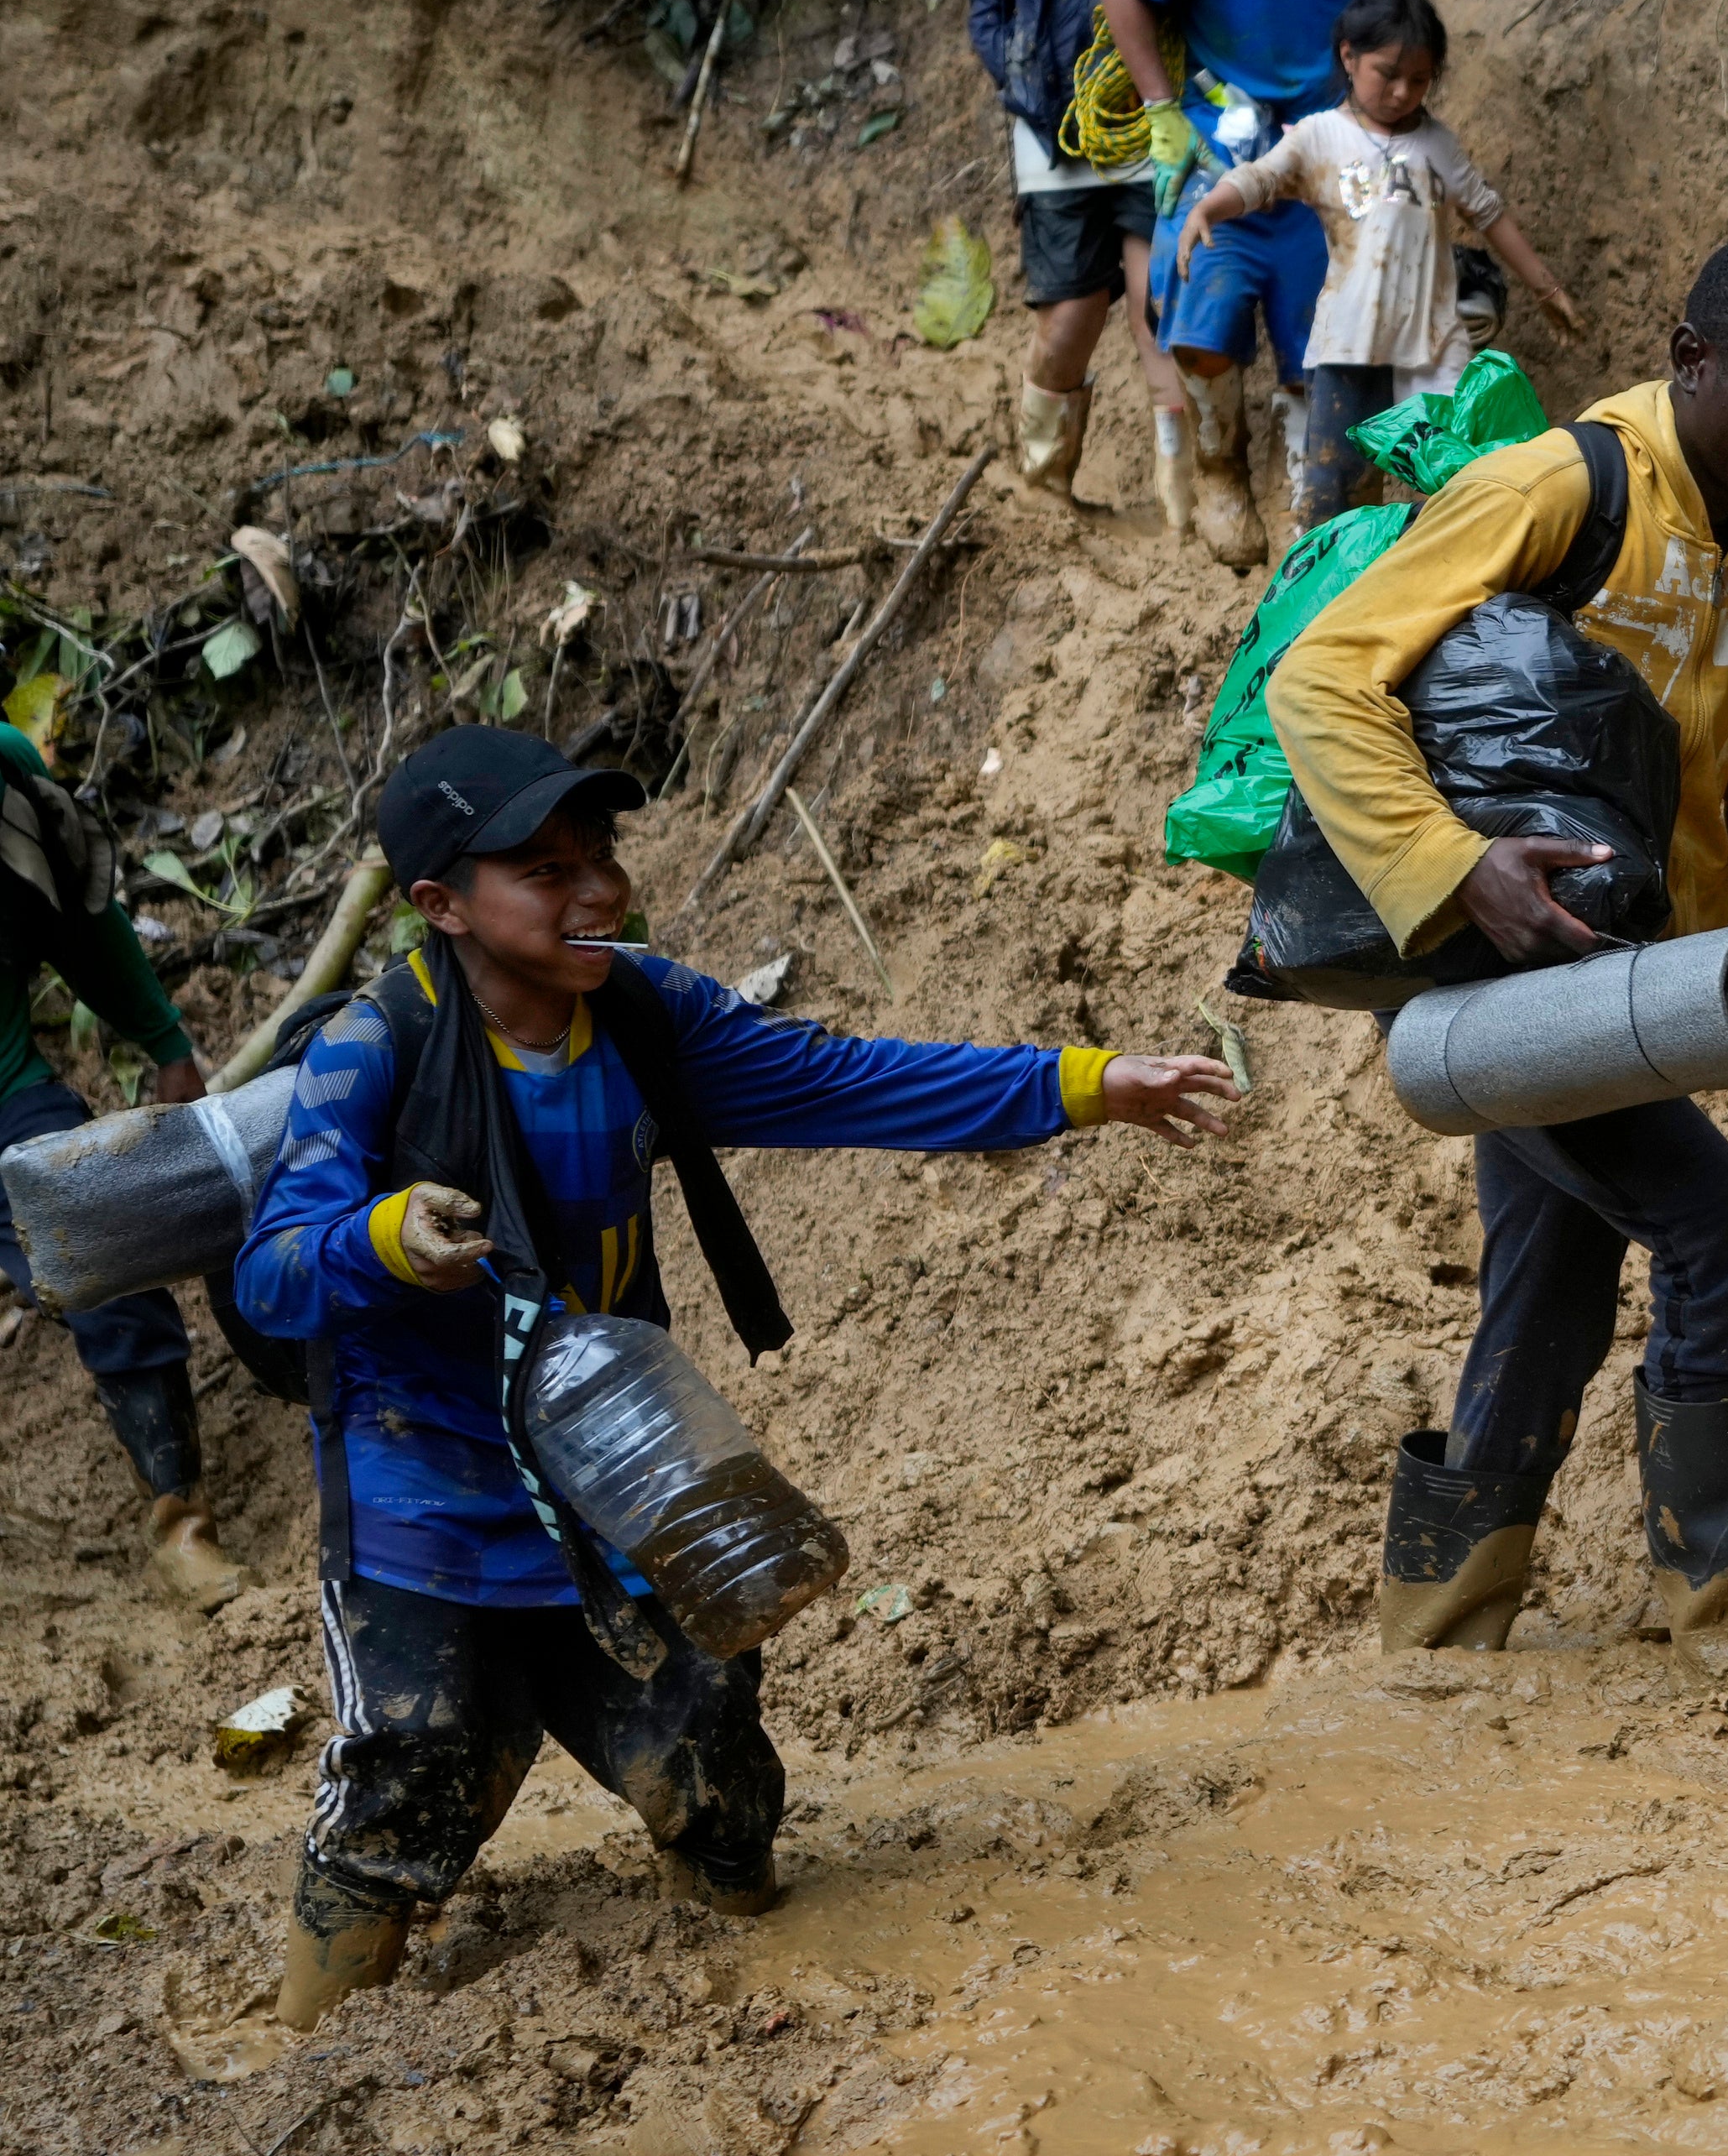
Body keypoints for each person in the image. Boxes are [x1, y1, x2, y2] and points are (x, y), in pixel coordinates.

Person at [236, 728, 1239, 2028]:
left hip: (617, 1465)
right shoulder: (374, 1051)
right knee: (411, 1786)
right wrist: (380, 1240)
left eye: (599, 855)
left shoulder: (648, 1016)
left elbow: (846, 1080)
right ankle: (307, 2062)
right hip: (423, 1482)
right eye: (544, 870)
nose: (597, 890)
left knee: (710, 1767)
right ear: (442, 906)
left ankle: (754, 2009)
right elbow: (271, 1275)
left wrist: (1091, 1084)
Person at [1262, 232, 1728, 1696]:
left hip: (1628, 987)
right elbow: (1322, 674)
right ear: (1692, 363)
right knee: (1714, 1232)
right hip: (1517, 984)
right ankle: (1718, 1620)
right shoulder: (1565, 489)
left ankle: (1434, 1648)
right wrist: (1456, 870)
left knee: (1549, 1296)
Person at [1096, 0, 1416, 569]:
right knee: (1204, 334)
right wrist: (1161, 109)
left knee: (1332, 346)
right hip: (1216, 148)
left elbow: (1393, 17)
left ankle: (1318, 506)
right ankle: (1219, 472)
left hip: (1329, 159)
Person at [1172, 0, 1583, 532]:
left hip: (1433, 344)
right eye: (1388, 74)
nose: (1402, 92)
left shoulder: (1437, 145)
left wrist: (1546, 288)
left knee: (1464, 486)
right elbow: (1260, 178)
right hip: (1350, 344)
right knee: (1334, 495)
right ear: (1349, 57)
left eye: (1419, 79)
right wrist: (1207, 210)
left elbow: (1487, 214)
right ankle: (1323, 600)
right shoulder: (1321, 138)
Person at [0, 725, 244, 1601]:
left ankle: (182, 1527)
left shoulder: (7, 774)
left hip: (4, 1090)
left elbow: (80, 924)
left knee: (102, 1239)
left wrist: (163, 1038)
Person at [956, 0, 1192, 511]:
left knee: (1161, 303)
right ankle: (1045, 483)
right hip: (1048, 125)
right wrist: (1008, 62)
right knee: (1069, 317)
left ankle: (1189, 496)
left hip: (1141, 113)